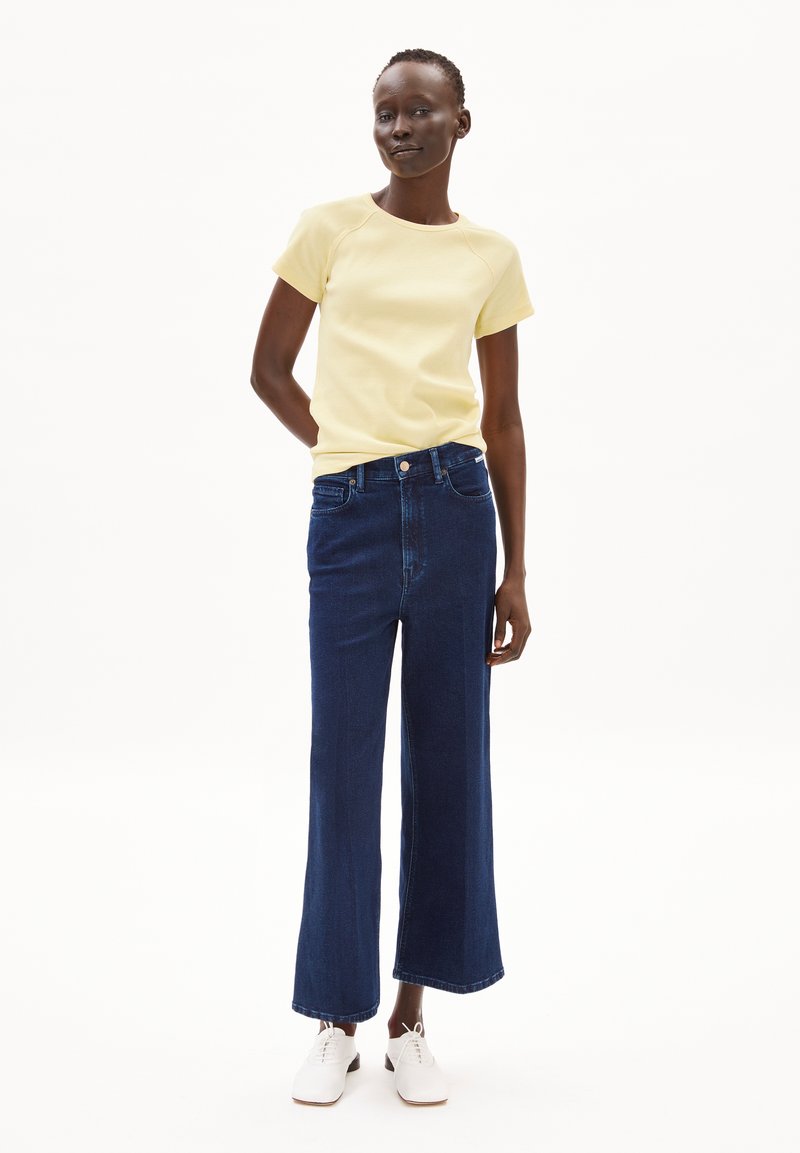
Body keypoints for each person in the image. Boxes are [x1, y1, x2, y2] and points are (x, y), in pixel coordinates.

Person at [250, 47, 534, 1107]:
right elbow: (267, 370)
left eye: (419, 111)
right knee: (343, 765)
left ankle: (412, 1016)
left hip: (458, 510)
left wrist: (516, 569)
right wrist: (348, 451)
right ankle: (335, 1016)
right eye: (384, 112)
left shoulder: (490, 255)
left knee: (448, 763)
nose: (400, 128)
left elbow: (504, 420)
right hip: (352, 513)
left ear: (461, 121)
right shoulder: (328, 229)